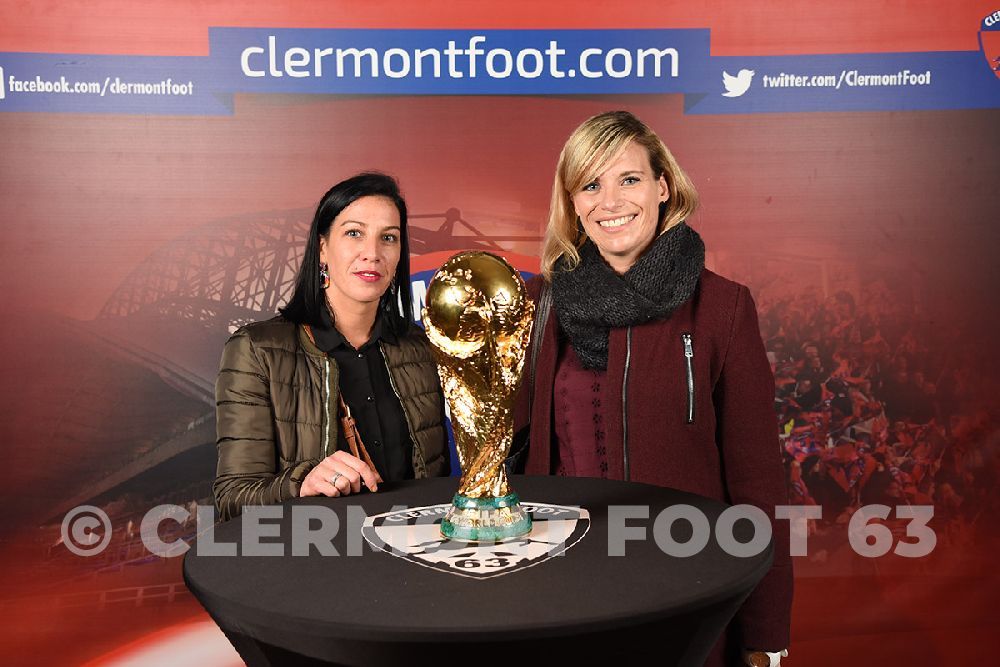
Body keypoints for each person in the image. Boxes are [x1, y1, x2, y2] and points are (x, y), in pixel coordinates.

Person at [513, 111, 791, 666]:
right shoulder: (539, 302)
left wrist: (766, 633)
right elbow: (514, 454)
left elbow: (757, 484)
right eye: (591, 185)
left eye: (629, 179)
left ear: (663, 186)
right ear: (572, 204)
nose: (610, 201)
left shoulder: (722, 307)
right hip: (562, 595)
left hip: (685, 593)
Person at [214, 172, 449, 521]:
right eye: (354, 233)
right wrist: (302, 482)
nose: (372, 253)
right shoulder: (257, 350)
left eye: (389, 238)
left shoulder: (421, 349)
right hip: (317, 560)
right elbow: (232, 498)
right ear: (322, 247)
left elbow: (436, 482)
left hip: (410, 558)